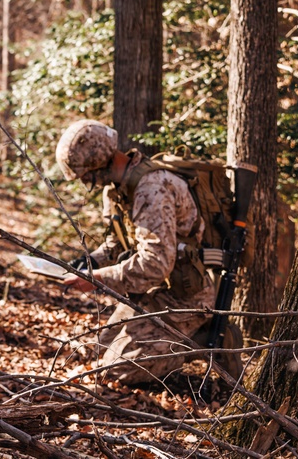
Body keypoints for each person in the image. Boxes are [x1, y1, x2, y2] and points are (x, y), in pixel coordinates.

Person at [56, 119, 219, 385]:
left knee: (119, 370)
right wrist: (87, 263)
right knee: (99, 351)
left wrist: (97, 279)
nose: (88, 182)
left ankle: (199, 343)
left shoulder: (152, 189)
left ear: (101, 160)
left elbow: (156, 264)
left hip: (185, 299)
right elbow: (117, 243)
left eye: (87, 175)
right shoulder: (117, 191)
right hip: (151, 293)